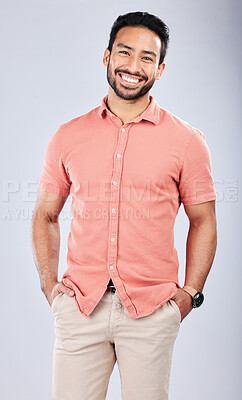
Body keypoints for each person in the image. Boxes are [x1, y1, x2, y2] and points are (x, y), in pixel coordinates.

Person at [31, 11, 217, 400]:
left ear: (160, 69)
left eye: (147, 58)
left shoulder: (187, 142)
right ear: (107, 56)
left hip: (152, 311)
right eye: (125, 53)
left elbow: (203, 220)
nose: (133, 67)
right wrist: (50, 287)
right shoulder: (68, 137)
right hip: (80, 308)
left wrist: (189, 295)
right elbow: (46, 214)